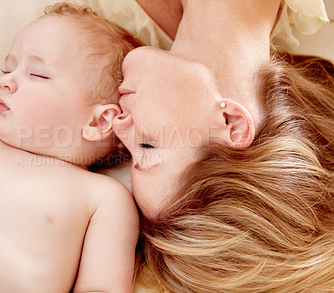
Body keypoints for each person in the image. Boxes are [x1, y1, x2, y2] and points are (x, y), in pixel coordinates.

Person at [110, 0, 334, 291]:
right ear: (232, 122)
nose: (117, 125)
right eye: (148, 145)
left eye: (130, 152)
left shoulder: (126, 39)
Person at [0, 1, 141, 292]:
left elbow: (103, 286)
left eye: (38, 74)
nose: (6, 81)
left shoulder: (105, 198)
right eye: (7, 68)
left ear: (98, 122)